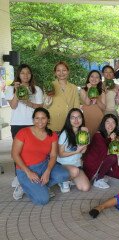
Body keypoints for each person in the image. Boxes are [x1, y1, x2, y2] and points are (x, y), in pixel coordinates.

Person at [11, 108, 70, 205]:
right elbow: (14, 154)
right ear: (33, 120)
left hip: (43, 165)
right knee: (43, 200)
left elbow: (53, 155)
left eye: (43, 118)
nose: (40, 121)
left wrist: (48, 171)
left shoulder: (52, 134)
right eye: (37, 118)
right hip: (24, 169)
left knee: (64, 175)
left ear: (48, 119)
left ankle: (40, 186)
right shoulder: (23, 132)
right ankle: (24, 186)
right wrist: (28, 172)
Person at [5, 64, 43, 200]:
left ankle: (33, 176)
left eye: (28, 73)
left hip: (33, 124)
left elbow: (40, 107)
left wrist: (28, 102)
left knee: (33, 151)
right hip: (17, 124)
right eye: (22, 73)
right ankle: (20, 178)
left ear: (31, 75)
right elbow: (13, 105)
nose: (25, 75)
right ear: (18, 75)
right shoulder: (11, 88)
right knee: (18, 152)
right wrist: (16, 91)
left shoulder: (36, 89)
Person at [82, 114, 119, 189]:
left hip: (102, 162)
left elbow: (117, 151)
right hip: (93, 164)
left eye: (113, 122)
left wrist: (114, 139)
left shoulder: (112, 135)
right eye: (107, 122)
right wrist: (113, 140)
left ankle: (101, 173)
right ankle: (98, 179)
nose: (110, 125)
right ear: (103, 124)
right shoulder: (98, 135)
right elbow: (109, 152)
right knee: (113, 157)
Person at [57, 108, 91, 193]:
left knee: (85, 187)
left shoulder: (84, 132)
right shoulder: (65, 133)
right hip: (63, 164)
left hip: (76, 164)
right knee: (75, 171)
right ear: (69, 120)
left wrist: (86, 134)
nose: (76, 120)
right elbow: (61, 154)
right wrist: (76, 151)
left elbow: (83, 151)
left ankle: (70, 177)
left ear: (82, 119)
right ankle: (63, 180)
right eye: (73, 117)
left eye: (79, 117)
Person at [44, 61, 80, 132]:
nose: (61, 73)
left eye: (64, 70)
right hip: (52, 122)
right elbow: (45, 106)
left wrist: (76, 123)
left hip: (68, 122)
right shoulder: (50, 85)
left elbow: (76, 107)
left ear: (68, 71)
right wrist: (48, 98)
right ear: (55, 72)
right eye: (58, 70)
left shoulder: (74, 87)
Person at [80, 70, 106, 136]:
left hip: (99, 120)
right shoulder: (83, 90)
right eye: (92, 76)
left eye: (97, 77)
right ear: (88, 78)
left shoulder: (102, 92)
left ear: (100, 80)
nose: (94, 79)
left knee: (97, 141)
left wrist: (97, 99)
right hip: (87, 120)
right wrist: (89, 89)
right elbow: (88, 103)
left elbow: (104, 108)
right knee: (87, 140)